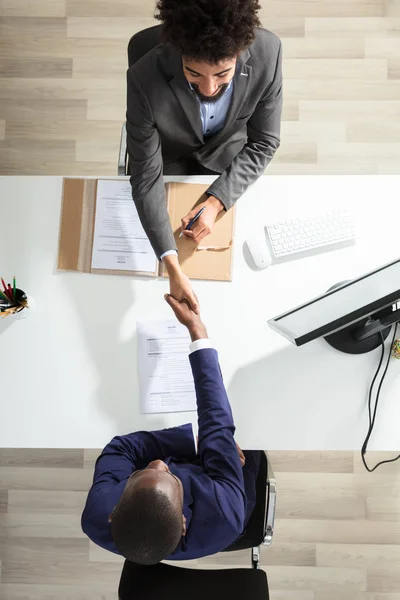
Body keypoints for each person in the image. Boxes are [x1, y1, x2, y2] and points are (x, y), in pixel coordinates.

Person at [81, 294, 261, 565]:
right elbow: (216, 422)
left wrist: (190, 441)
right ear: (183, 521)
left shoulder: (96, 514)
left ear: (113, 511)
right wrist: (197, 332)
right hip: (224, 487)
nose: (158, 463)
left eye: (142, 471)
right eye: (170, 475)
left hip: (198, 469)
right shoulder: (224, 512)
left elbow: (121, 448)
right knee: (254, 427)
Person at [127, 0, 282, 312]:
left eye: (223, 74)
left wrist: (216, 201)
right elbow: (145, 176)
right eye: (193, 73)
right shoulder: (144, 74)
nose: (209, 89)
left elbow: (264, 142)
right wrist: (171, 264)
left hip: (228, 160)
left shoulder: (269, 52)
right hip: (166, 159)